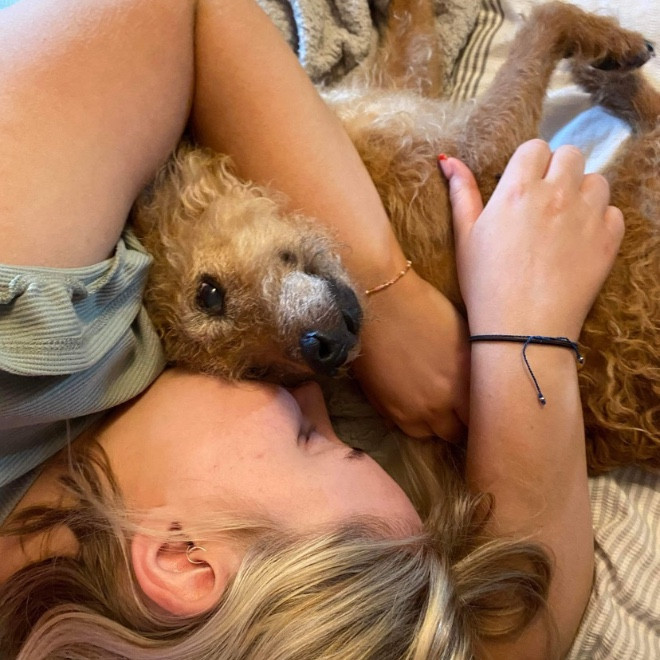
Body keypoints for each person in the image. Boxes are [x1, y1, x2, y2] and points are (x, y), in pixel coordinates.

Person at [0, 0, 645, 658]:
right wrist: (526, 336)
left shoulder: (19, 326)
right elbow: (520, 634)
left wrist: (387, 293)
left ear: (182, 558)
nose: (319, 389)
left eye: (311, 437)